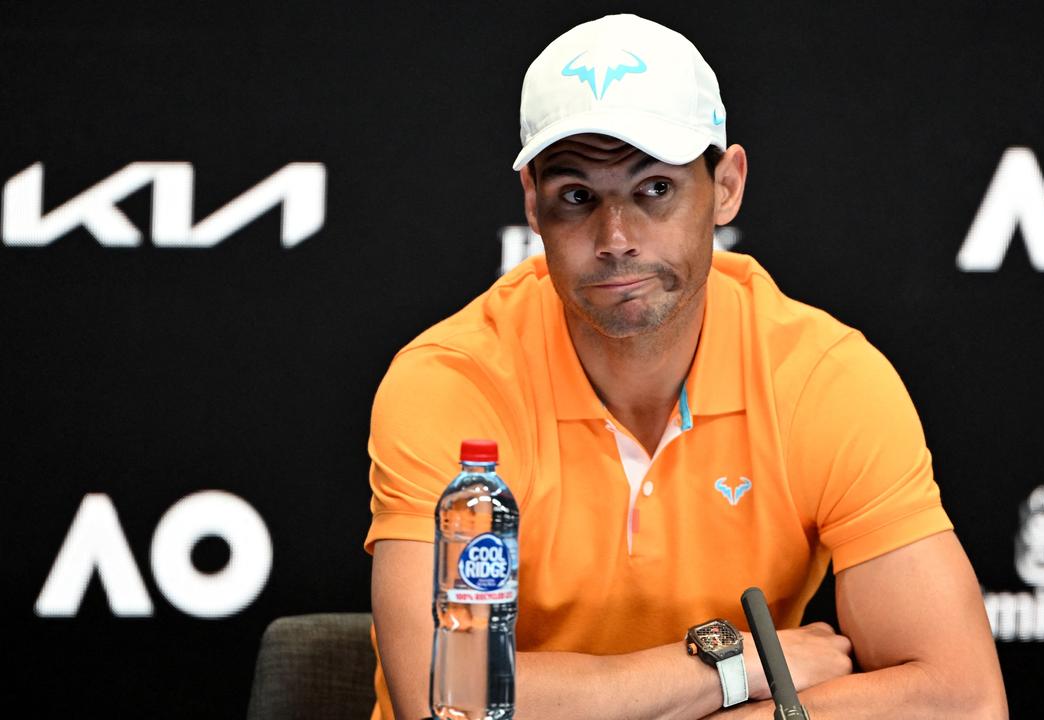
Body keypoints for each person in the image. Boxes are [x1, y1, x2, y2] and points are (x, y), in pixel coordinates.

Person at [366, 13, 1006, 720]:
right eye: (577, 196)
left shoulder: (819, 376)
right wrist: (731, 667)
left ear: (726, 185)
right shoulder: (453, 381)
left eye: (654, 189)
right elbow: (446, 700)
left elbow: (964, 700)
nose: (615, 239)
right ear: (532, 203)